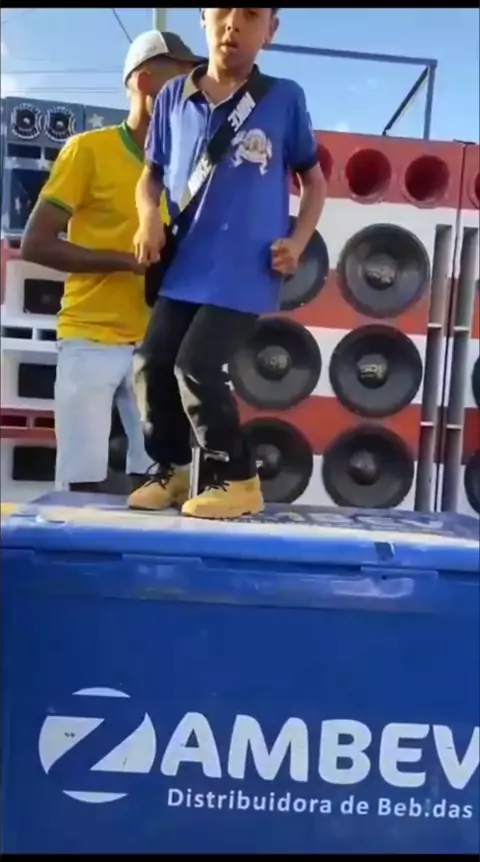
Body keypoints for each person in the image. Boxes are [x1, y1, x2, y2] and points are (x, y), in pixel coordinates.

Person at [129, 8, 327, 520]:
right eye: (223, 11)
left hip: (246, 268)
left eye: (252, 14)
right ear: (203, 17)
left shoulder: (284, 98)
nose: (233, 24)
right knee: (151, 363)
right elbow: (150, 175)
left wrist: (298, 240)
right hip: (186, 264)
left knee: (195, 366)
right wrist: (148, 218)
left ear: (270, 31)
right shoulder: (172, 98)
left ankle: (238, 479)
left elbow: (314, 180)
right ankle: (173, 469)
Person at [20, 30, 203, 493]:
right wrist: (127, 262)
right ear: (144, 82)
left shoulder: (183, 168)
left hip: (156, 346)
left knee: (159, 484)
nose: (191, 93)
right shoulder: (87, 150)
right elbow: (36, 244)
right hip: (90, 338)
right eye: (180, 79)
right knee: (79, 485)